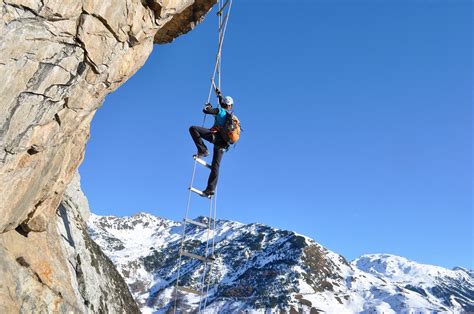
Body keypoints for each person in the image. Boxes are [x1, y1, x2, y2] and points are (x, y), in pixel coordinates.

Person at [189, 89, 234, 197]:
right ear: (230, 106)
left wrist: (208, 107)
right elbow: (221, 104)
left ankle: (203, 150)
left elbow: (206, 111)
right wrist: (219, 95)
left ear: (224, 104)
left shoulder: (220, 111)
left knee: (193, 129)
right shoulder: (228, 115)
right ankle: (210, 189)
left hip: (216, 138)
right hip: (224, 144)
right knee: (215, 166)